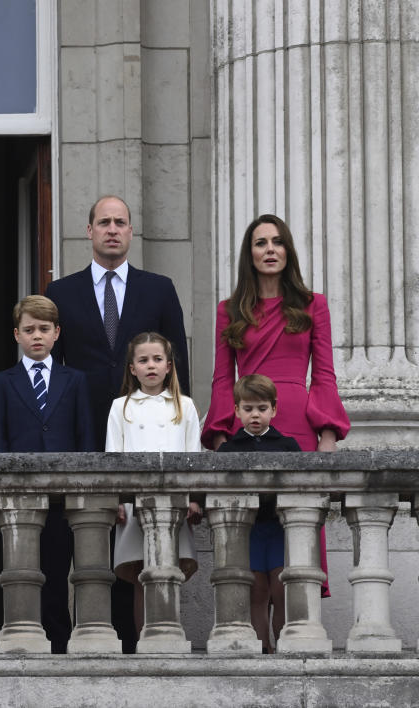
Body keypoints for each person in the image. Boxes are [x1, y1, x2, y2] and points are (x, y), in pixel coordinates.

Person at [45, 194, 189, 651]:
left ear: (130, 232)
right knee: (70, 535)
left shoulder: (159, 288)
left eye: (120, 222)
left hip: (144, 430)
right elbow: (53, 366)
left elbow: (177, 363)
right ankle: (66, 636)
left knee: (134, 534)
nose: (112, 229)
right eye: (103, 222)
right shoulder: (61, 294)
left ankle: (131, 639)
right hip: (78, 430)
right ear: (88, 231)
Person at [200, 214, 351, 595]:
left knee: (297, 528)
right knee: (249, 530)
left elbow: (325, 375)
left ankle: (297, 627)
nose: (270, 250)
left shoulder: (313, 304)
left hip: (298, 426)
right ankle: (254, 637)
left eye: (277, 242)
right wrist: (220, 437)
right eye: (261, 243)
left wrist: (328, 435)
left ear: (288, 251)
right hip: (244, 428)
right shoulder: (228, 309)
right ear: (249, 255)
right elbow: (222, 378)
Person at [0, 295, 95, 653]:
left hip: (64, 496)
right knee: (20, 570)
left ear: (57, 333)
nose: (37, 336)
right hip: (18, 497)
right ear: (16, 334)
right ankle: (21, 638)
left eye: (44, 329)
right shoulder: (2, 382)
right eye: (29, 329)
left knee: (60, 569)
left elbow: (86, 439)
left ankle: (60, 643)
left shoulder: (75, 380)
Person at [105, 332, 201, 638]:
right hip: (135, 506)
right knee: (141, 576)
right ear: (132, 368)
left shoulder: (184, 406)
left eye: (157, 359)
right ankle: (143, 640)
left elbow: (193, 457)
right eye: (143, 360)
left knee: (169, 572)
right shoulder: (120, 407)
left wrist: (195, 498)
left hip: (174, 503)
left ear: (169, 366)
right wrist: (116, 499)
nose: (151, 366)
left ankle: (170, 637)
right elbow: (112, 457)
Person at [217, 374, 301, 653]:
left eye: (262, 408)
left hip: (278, 529)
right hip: (247, 531)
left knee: (280, 591)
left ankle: (284, 646)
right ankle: (263, 648)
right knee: (257, 593)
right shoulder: (229, 449)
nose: (255, 415)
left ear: (274, 410)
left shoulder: (288, 446)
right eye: (248, 408)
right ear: (237, 410)